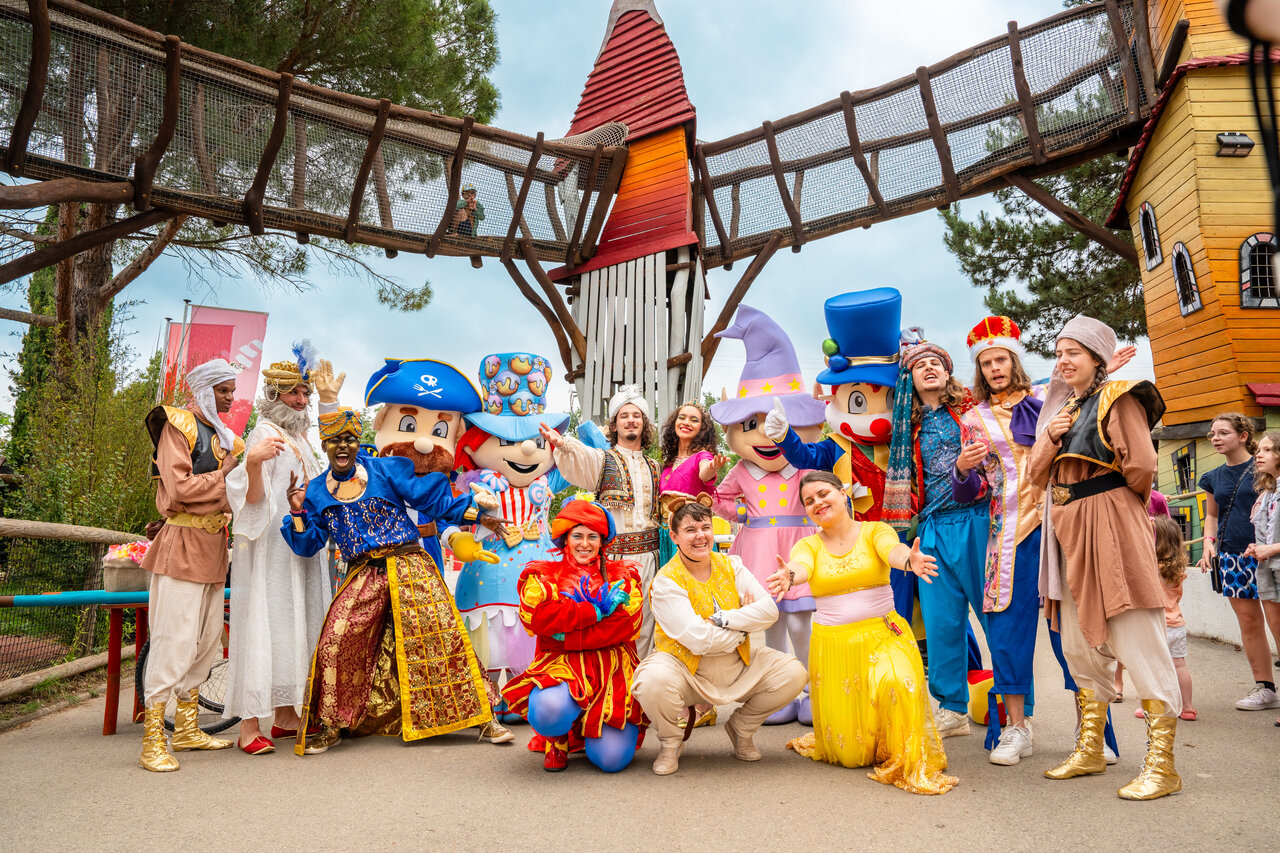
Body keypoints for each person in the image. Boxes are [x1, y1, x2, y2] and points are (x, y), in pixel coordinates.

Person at [281, 407, 502, 755]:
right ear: (324, 446)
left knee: (441, 639)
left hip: (408, 562)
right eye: (335, 440)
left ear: (358, 443)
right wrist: (297, 511)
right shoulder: (316, 491)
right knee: (336, 640)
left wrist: (476, 515)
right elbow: (307, 545)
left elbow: (432, 499)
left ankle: (483, 718)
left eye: (349, 439)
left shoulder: (383, 470)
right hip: (363, 571)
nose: (343, 446)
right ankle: (333, 725)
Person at [1029, 314, 1181, 800]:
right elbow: (1034, 474)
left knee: (1137, 637)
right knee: (1078, 645)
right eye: (1058, 354)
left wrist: (1114, 507)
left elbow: (1142, 465)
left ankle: (1163, 766)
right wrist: (1051, 436)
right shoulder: (1063, 411)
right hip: (1068, 533)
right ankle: (1091, 749)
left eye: (1073, 352)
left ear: (1097, 358)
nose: (1063, 361)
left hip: (1110, 522)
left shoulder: (1120, 396)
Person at [767, 471, 956, 795]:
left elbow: (892, 551)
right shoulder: (808, 545)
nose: (817, 503)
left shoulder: (874, 531)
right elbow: (802, 566)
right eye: (809, 501)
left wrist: (908, 561)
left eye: (823, 494)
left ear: (843, 493)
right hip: (834, 646)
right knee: (852, 755)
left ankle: (903, 751)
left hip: (884, 634)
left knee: (896, 681)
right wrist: (790, 575)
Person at [710, 303, 839, 725]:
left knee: (802, 625)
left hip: (799, 547)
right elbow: (722, 503)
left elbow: (830, 496)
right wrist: (731, 508)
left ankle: (815, 690)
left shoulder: (805, 463)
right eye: (752, 425)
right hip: (759, 550)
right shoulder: (740, 470)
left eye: (777, 423)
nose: (766, 435)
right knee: (771, 625)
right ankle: (780, 692)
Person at [223, 346, 344, 754]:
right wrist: (252, 464)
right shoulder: (264, 434)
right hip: (272, 553)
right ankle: (248, 727)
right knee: (267, 625)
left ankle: (287, 717)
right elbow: (252, 501)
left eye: (306, 393)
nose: (302, 400)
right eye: (295, 392)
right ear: (274, 395)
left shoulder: (298, 438)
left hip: (300, 547)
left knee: (295, 625)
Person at [630, 501, 807, 776]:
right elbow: (698, 640)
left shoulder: (732, 565)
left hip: (736, 666)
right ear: (674, 536)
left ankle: (741, 728)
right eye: (690, 530)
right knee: (651, 680)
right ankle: (670, 743)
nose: (700, 536)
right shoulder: (666, 581)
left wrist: (722, 619)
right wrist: (744, 627)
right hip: (686, 670)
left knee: (794, 673)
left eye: (705, 527)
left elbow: (769, 611)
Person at [138, 358, 248, 771]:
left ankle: (186, 729)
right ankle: (152, 741)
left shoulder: (228, 439)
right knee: (174, 641)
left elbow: (235, 494)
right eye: (223, 390)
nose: (231, 398)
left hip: (214, 547)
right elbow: (180, 489)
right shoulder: (177, 425)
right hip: (182, 546)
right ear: (204, 390)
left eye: (232, 390)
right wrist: (225, 476)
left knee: (205, 642)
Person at [882, 336, 990, 740]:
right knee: (942, 623)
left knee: (993, 616)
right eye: (919, 364)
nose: (929, 368)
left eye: (936, 363)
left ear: (948, 373)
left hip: (976, 519)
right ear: (909, 378)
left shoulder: (972, 412)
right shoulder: (906, 428)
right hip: (930, 528)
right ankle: (952, 710)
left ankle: (1017, 709)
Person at [501, 500, 645, 772]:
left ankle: (590, 728)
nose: (585, 543)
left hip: (612, 672)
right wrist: (595, 612)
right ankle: (558, 739)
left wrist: (564, 634)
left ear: (602, 541)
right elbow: (537, 619)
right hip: (562, 667)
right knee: (549, 710)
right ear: (565, 539)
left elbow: (627, 625)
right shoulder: (544, 576)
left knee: (611, 760)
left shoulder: (622, 575)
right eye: (577, 535)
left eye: (593, 536)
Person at [956, 316, 1044, 764]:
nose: (994, 368)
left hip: (1058, 525)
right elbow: (971, 491)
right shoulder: (972, 419)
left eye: (1001, 360)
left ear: (1014, 361)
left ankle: (1092, 729)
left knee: (1074, 630)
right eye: (986, 362)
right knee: (1007, 633)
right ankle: (1017, 728)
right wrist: (963, 469)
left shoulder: (1047, 401)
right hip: (1006, 535)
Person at [541, 385, 662, 656]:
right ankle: (617, 679)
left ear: (644, 423)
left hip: (652, 558)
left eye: (637, 415)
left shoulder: (655, 466)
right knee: (617, 624)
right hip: (616, 561)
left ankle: (643, 680)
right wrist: (563, 444)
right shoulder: (603, 459)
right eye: (624, 416)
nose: (631, 420)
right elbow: (581, 457)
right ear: (614, 425)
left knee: (649, 623)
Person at [1197, 413, 1280, 712]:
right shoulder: (1212, 477)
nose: (1215, 438)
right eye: (1212, 434)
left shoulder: (1264, 468)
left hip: (1266, 552)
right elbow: (1212, 515)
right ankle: (1265, 688)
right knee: (1248, 622)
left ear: (1243, 436)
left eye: (1223, 432)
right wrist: (1208, 543)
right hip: (1232, 555)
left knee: (1277, 621)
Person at [1136, 517, 1197, 723]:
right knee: (1179, 665)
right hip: (1177, 626)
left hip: (1155, 626)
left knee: (1149, 667)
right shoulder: (1178, 570)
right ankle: (1187, 707)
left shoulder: (1151, 568)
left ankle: (1148, 706)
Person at [657, 400, 724, 566]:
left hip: (691, 535)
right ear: (674, 423)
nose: (686, 422)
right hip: (667, 535)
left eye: (694, 420)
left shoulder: (703, 456)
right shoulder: (669, 463)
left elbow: (705, 472)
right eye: (682, 417)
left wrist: (712, 468)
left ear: (702, 428)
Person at [1245, 430, 1280, 726]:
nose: (1259, 454)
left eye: (1267, 450)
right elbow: (1267, 533)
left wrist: (1272, 548)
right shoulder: (1267, 492)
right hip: (1268, 570)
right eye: (1260, 449)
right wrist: (1257, 547)